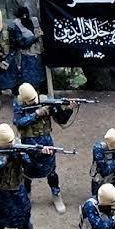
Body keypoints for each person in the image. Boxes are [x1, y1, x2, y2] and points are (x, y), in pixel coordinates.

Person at [13, 83, 74, 213]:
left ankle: (56, 195)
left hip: (45, 141)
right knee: (27, 171)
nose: (34, 102)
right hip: (28, 143)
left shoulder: (45, 101)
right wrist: (36, 114)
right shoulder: (18, 104)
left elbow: (62, 120)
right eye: (30, 100)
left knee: (51, 171)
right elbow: (19, 122)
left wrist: (69, 108)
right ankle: (27, 196)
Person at [13, 6, 45, 90]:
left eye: (26, 14)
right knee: (28, 82)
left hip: (39, 55)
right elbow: (21, 43)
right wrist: (35, 37)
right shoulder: (17, 26)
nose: (25, 16)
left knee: (41, 79)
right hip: (27, 57)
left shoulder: (35, 21)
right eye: (23, 15)